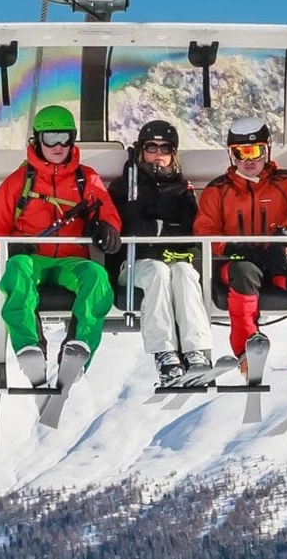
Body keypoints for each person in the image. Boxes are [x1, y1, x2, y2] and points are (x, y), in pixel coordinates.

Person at [194, 116, 287, 399]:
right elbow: (205, 233)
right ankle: (248, 352)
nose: (249, 160)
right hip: (236, 262)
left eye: (255, 151)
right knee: (244, 274)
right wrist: (234, 248)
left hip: (278, 260)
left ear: (267, 151)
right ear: (231, 154)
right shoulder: (218, 190)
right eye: (241, 153)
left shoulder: (286, 182)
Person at [0, 105, 121, 388]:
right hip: (33, 260)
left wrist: (108, 229)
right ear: (37, 140)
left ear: (73, 139)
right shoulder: (19, 181)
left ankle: (79, 348)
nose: (58, 145)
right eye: (50, 138)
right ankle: (29, 347)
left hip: (71, 261)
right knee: (17, 269)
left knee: (96, 276)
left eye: (64, 137)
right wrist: (10, 247)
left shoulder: (86, 179)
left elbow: (108, 215)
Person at [108, 120, 216, 385]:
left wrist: (159, 231)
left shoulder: (181, 190)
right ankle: (165, 354)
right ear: (141, 151)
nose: (158, 154)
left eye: (165, 148)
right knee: (157, 272)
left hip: (172, 260)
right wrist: (155, 229)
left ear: (173, 154)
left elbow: (190, 232)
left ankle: (196, 352)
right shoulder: (124, 187)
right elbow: (118, 225)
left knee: (183, 272)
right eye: (151, 147)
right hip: (133, 265)